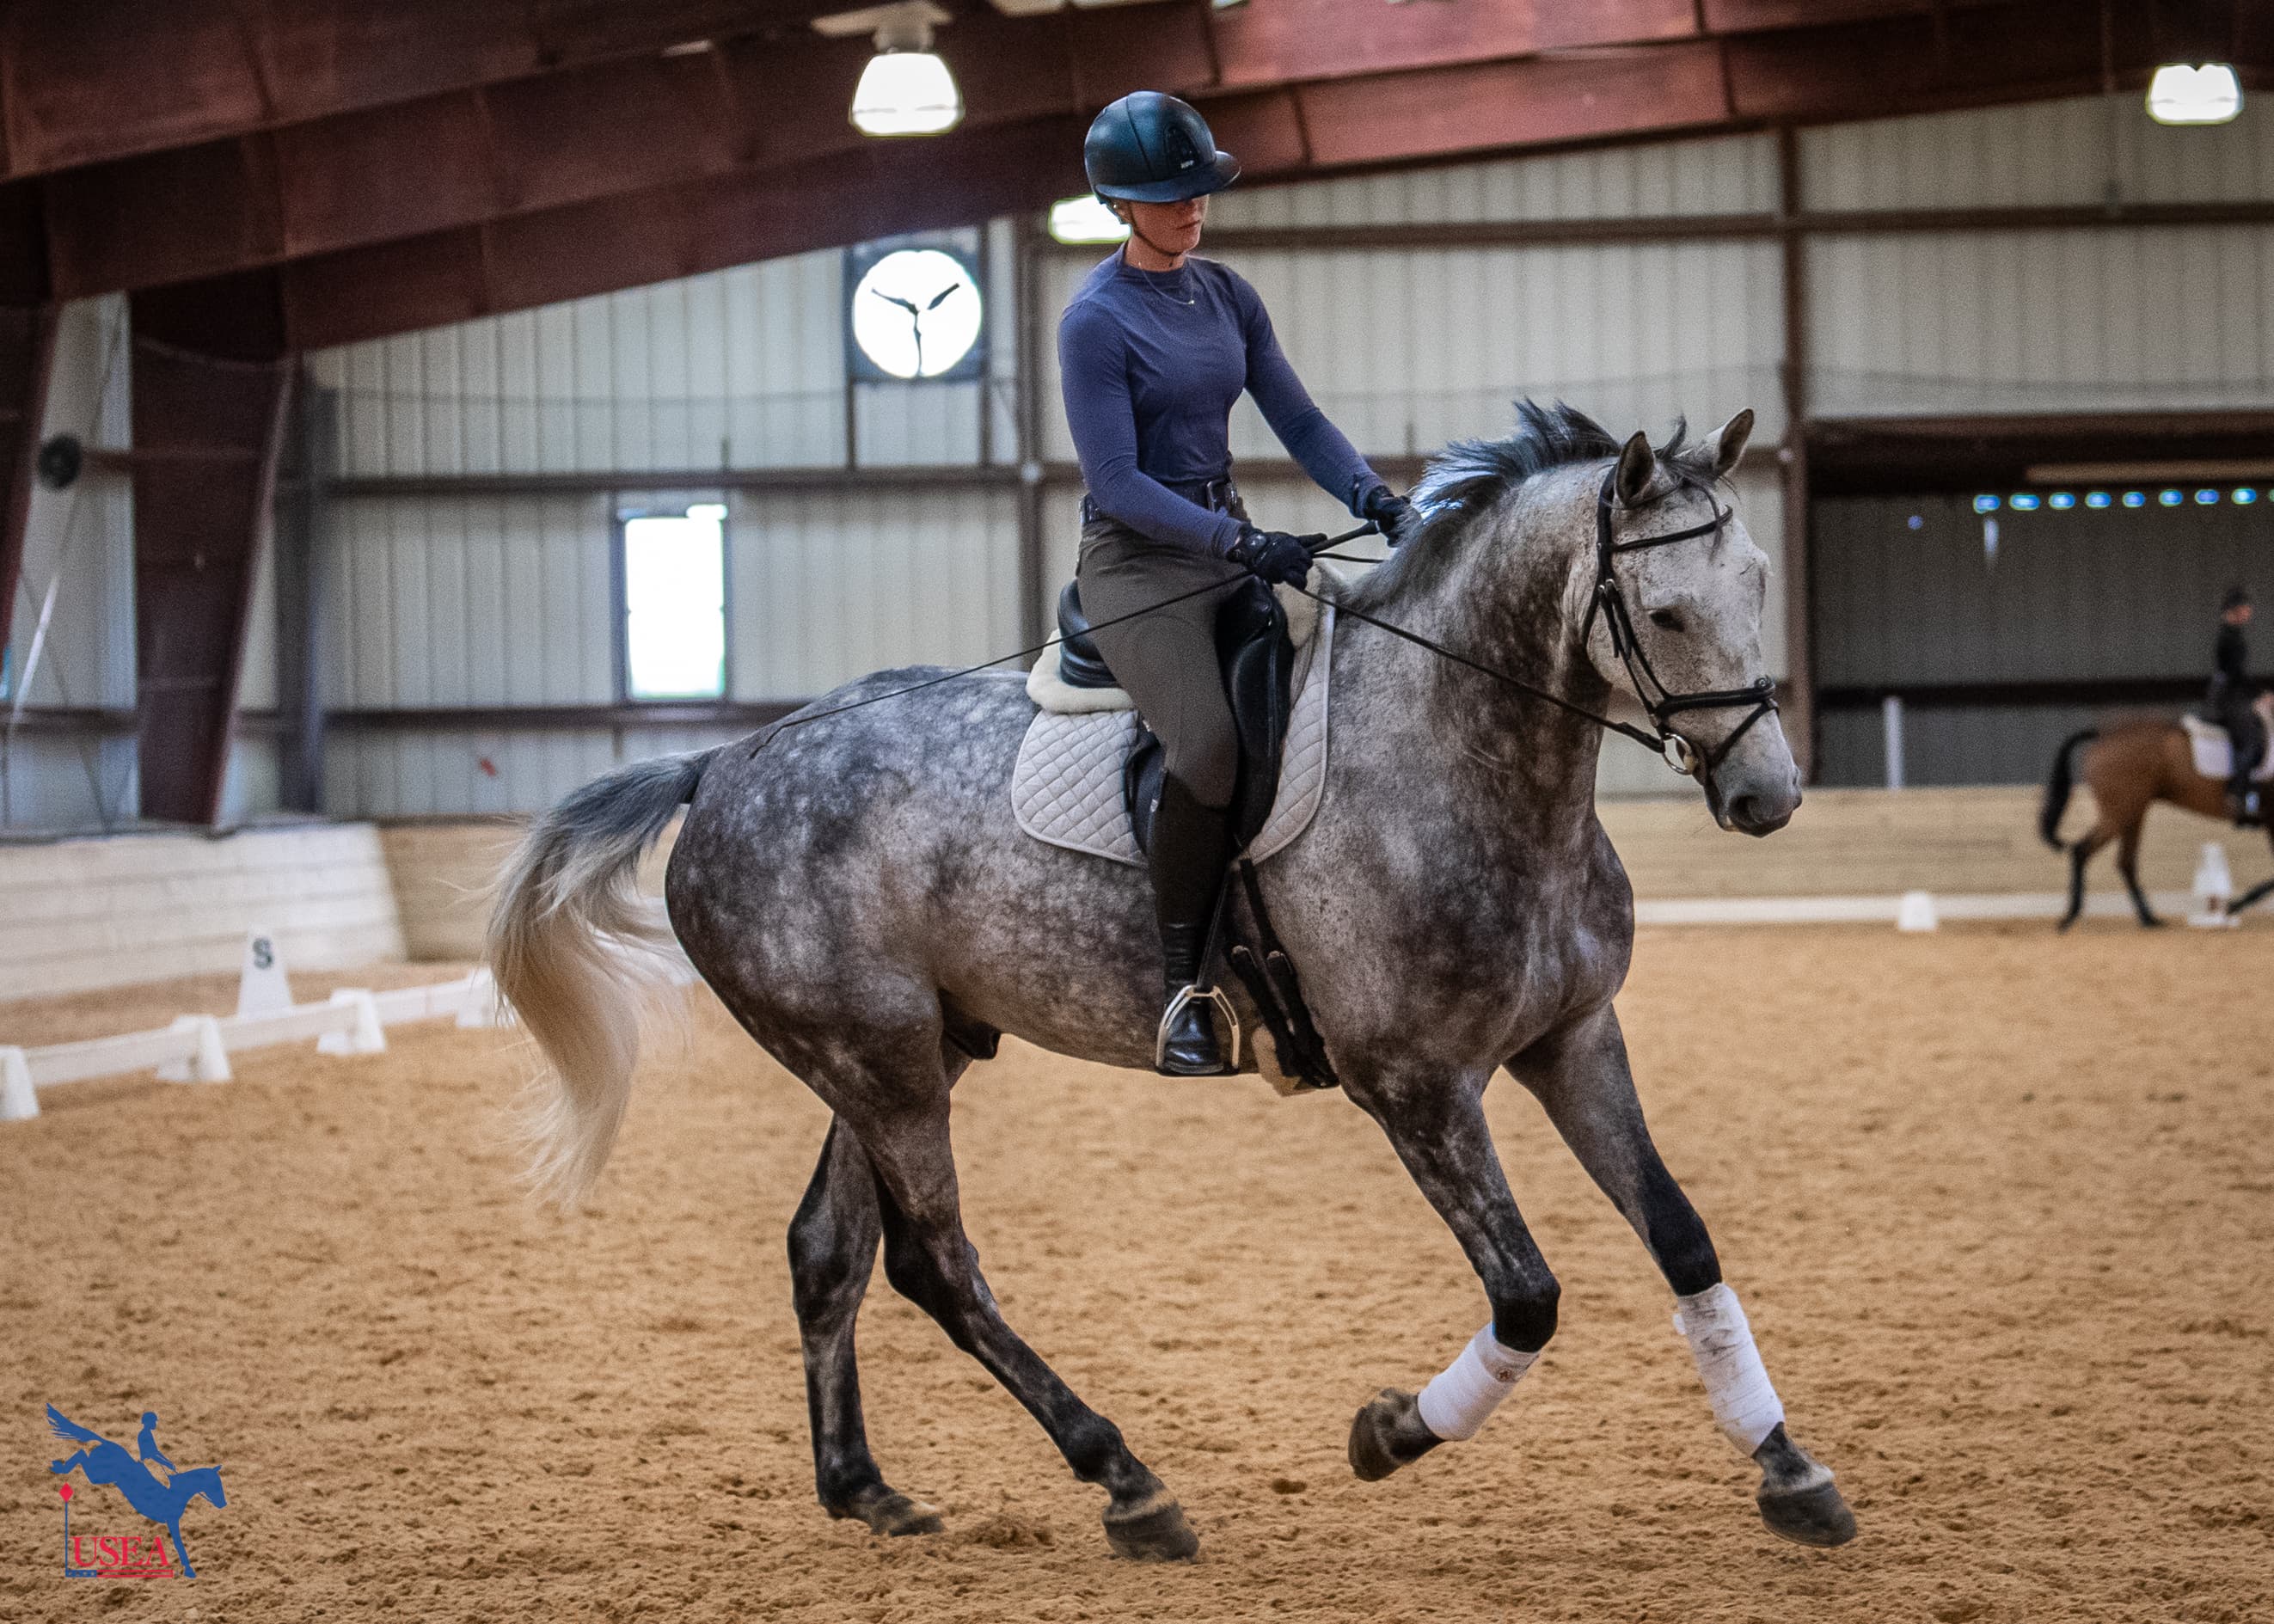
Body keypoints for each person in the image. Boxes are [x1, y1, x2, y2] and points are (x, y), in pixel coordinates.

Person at [1060, 91, 1417, 1076]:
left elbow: (1296, 418)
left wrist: (1374, 498)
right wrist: (1240, 542)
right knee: (1209, 742)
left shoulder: (1225, 294)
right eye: (1168, 196)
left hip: (1225, 544)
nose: (1191, 207)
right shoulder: (1093, 321)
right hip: (1138, 562)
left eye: (1197, 190)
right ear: (1117, 205)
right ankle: (1183, 987)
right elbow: (1116, 483)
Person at [2209, 585, 2262, 824]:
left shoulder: (2234, 635)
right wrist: (2258, 696)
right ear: (2236, 610)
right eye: (2245, 608)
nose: (2249, 612)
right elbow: (2236, 674)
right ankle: (2236, 793)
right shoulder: (2228, 637)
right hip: (2229, 697)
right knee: (2250, 739)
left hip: (2235, 693)